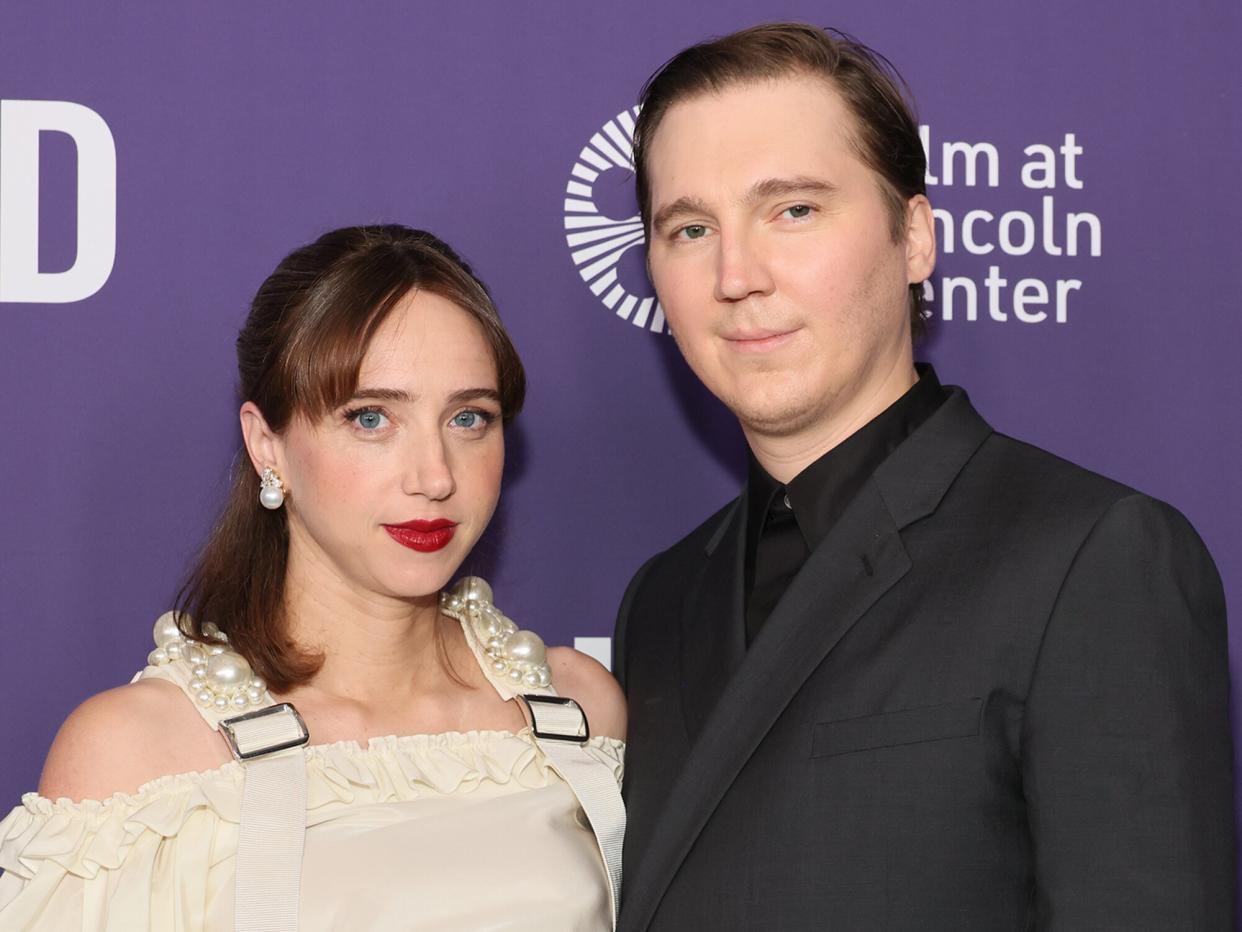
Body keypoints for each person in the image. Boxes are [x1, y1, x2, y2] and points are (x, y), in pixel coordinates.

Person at [613, 22, 1234, 931]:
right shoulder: (661, 599)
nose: (735, 275)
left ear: (915, 237)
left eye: (793, 211)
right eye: (691, 227)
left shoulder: (1094, 559)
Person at [0, 225, 626, 931]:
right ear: (268, 444)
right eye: (370, 418)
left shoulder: (579, 712)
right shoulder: (139, 753)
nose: (435, 475)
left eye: (469, 417)